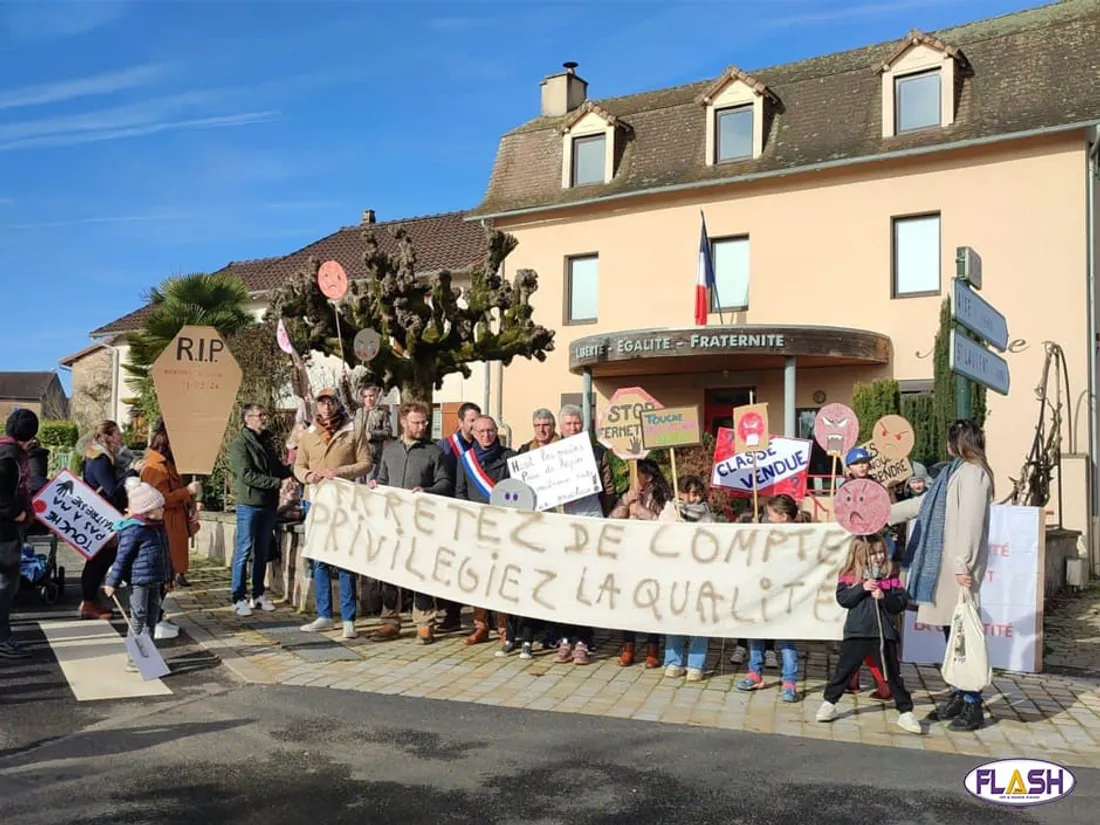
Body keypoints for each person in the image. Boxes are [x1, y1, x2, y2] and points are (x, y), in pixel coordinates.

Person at [888, 419, 994, 733]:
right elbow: (924, 504)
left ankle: (973, 702)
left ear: (956, 443)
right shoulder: (954, 472)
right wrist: (883, 512)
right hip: (945, 566)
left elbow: (970, 524)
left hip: (956, 568)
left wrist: (964, 564)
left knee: (961, 634)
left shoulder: (973, 474)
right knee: (951, 632)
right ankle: (959, 694)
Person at [815, 534, 922, 735]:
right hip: (858, 631)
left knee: (892, 673)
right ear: (860, 554)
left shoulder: (890, 574)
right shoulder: (849, 574)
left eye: (881, 552)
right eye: (873, 554)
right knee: (844, 669)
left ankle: (905, 712)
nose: (879, 557)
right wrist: (861, 588)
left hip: (883, 634)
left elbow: (900, 602)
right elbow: (843, 599)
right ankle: (829, 702)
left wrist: (884, 597)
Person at [371, 400, 452, 643]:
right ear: (404, 422)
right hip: (393, 522)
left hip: (422, 522)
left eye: (424, 422)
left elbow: (445, 482)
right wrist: (375, 486)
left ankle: (425, 621)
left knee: (421, 570)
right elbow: (381, 478)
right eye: (416, 423)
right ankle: (389, 621)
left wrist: (427, 490)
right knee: (389, 572)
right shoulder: (390, 449)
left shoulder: (434, 451)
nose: (421, 427)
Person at [296, 388, 372, 639]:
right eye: (322, 403)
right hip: (315, 500)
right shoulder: (307, 434)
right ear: (316, 406)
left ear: (338, 404)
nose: (326, 407)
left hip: (344, 501)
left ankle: (349, 618)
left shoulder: (353, 429)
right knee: (319, 558)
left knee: (344, 560)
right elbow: (298, 465)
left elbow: (366, 462)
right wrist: (308, 476)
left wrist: (340, 472)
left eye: (330, 402)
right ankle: (324, 614)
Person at [549, 404, 617, 665]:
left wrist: (604, 516)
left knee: (586, 585)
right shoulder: (551, 454)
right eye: (568, 424)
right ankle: (565, 640)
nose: (573, 428)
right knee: (565, 585)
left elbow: (608, 488)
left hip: (590, 523)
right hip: (562, 526)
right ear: (561, 426)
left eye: (577, 423)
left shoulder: (597, 453)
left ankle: (584, 641)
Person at [453, 415, 522, 652]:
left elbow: (519, 491)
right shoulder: (465, 460)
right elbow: (460, 493)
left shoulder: (510, 457)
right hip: (477, 528)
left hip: (504, 529)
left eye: (490, 430)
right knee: (479, 578)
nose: (486, 435)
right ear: (473, 432)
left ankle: (504, 628)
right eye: (481, 431)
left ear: (496, 432)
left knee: (502, 578)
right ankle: (480, 625)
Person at [227, 404, 292, 618]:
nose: (264, 419)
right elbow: (246, 475)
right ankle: (238, 597)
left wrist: (296, 470)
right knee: (244, 550)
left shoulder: (266, 441)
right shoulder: (239, 444)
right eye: (259, 415)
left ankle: (257, 594)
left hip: (268, 504)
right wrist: (277, 483)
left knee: (262, 551)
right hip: (249, 504)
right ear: (247, 419)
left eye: (265, 414)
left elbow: (278, 467)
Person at [735, 494, 802, 702]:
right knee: (757, 632)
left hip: (787, 596)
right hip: (764, 592)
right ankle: (755, 673)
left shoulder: (803, 535)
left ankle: (789, 681)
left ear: (783, 516)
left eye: (771, 514)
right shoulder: (766, 532)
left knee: (787, 641)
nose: (768, 518)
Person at [610, 458, 675, 668]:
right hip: (629, 556)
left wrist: (643, 513)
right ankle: (628, 647)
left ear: (647, 477)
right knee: (627, 603)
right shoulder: (629, 494)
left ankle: (652, 648)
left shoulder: (662, 496)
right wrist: (625, 505)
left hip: (652, 556)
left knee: (651, 601)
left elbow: (668, 523)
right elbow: (611, 520)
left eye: (636, 475)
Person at [102, 482, 171, 672]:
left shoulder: (157, 527)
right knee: (138, 618)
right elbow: (122, 558)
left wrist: (169, 576)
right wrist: (112, 582)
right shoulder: (134, 529)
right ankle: (134, 658)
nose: (163, 509)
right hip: (139, 581)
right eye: (159, 507)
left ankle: (149, 655)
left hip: (155, 579)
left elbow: (166, 554)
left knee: (152, 617)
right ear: (148, 510)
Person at [79, 420, 136, 620]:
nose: (121, 437)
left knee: (102, 558)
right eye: (117, 433)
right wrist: (132, 472)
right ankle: (88, 602)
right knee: (99, 559)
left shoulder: (98, 455)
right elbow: (112, 489)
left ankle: (90, 600)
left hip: (102, 514)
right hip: (103, 515)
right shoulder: (100, 459)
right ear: (109, 436)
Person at [432, 401, 479, 634]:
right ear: (460, 422)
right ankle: (452, 614)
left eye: (477, 419)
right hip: (451, 513)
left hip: (477, 515)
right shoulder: (446, 447)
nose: (474, 424)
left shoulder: (485, 442)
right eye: (470, 420)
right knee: (451, 566)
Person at [663, 475, 714, 682]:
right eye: (691, 493)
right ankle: (673, 661)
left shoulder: (707, 514)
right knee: (675, 616)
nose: (695, 498)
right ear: (680, 492)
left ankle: (695, 665)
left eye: (698, 493)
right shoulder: (669, 511)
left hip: (699, 573)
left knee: (699, 618)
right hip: (676, 572)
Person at [0, 409, 39, 659]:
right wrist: (18, 514)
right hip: (4, 530)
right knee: (6, 583)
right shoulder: (10, 456)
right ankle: (3, 638)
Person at [353, 382, 393, 481]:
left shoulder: (382, 413)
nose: (369, 399)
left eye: (371, 396)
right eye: (365, 396)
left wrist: (372, 434)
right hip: (358, 457)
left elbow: (388, 432)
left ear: (376, 396)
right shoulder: (359, 412)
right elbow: (346, 401)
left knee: (370, 486)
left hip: (373, 457)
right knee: (358, 487)